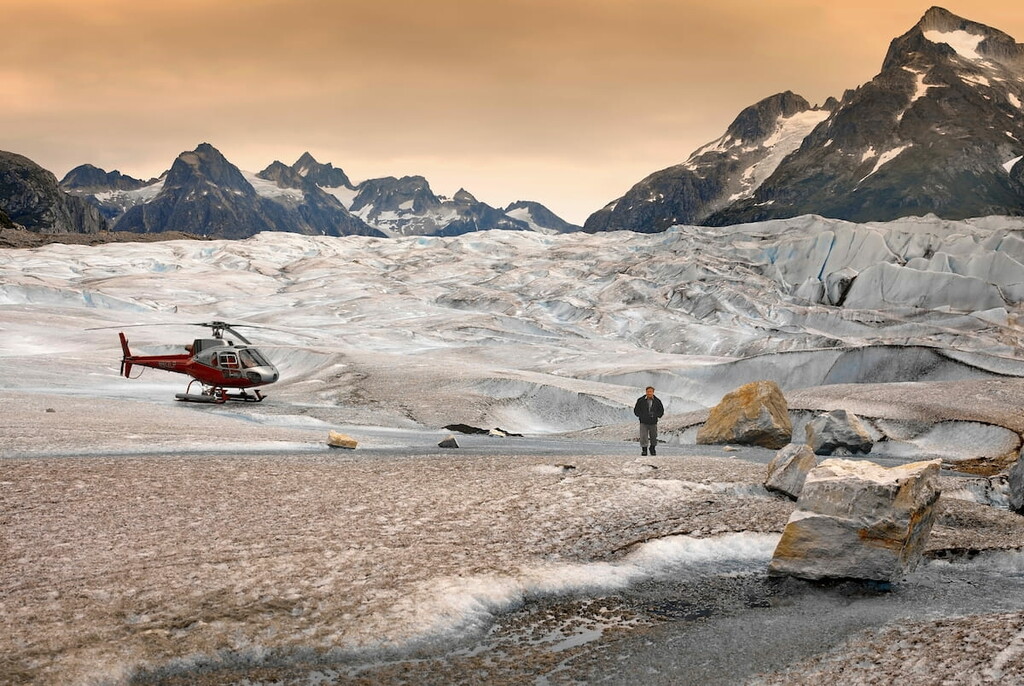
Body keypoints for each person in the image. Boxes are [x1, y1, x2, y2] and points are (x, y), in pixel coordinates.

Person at [633, 386, 664, 456]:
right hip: (643, 422)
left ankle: (652, 448)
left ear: (653, 392)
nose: (649, 393)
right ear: (646, 392)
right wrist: (641, 416)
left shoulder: (657, 401)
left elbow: (661, 411)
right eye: (648, 391)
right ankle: (644, 450)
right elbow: (636, 410)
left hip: (653, 422)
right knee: (643, 436)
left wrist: (655, 415)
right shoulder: (641, 400)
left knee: (653, 436)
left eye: (650, 392)